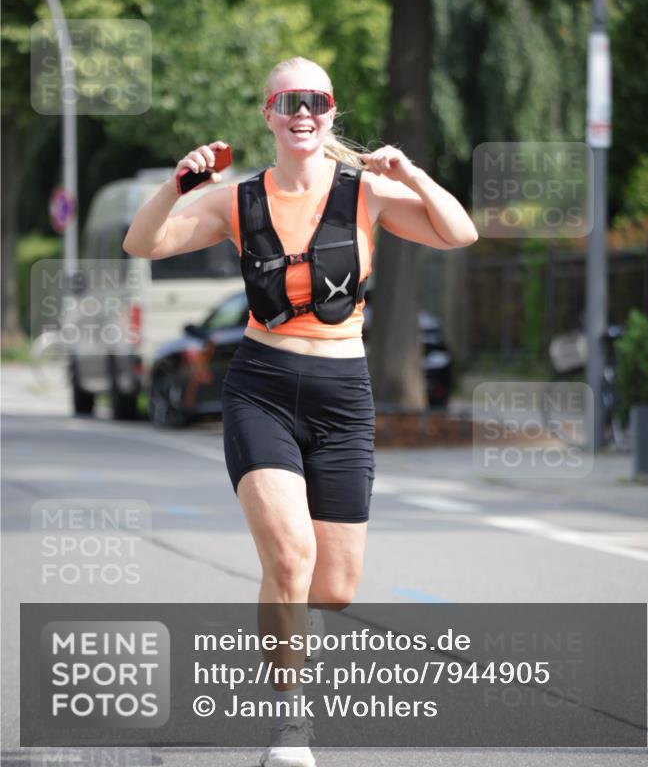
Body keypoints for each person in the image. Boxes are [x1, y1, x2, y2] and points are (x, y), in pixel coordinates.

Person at [123, 56, 478, 767]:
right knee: (290, 556)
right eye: (288, 101)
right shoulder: (237, 199)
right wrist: (177, 184)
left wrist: (408, 175)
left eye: (314, 99)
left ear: (329, 108)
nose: (302, 111)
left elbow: (458, 231)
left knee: (335, 588)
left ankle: (280, 626)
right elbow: (144, 243)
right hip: (261, 385)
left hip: (343, 396)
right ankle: (289, 727)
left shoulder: (366, 193)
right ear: (270, 114)